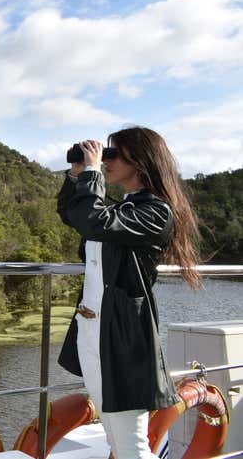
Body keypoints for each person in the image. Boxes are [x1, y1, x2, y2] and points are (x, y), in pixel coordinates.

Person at [56, 126, 201, 458]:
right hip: (92, 332)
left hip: (121, 338)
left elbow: (94, 222)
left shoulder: (156, 212)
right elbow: (73, 214)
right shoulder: (124, 209)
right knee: (113, 436)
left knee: (131, 443)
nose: (106, 160)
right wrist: (78, 174)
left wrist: (92, 173)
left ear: (139, 160)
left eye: (113, 153)